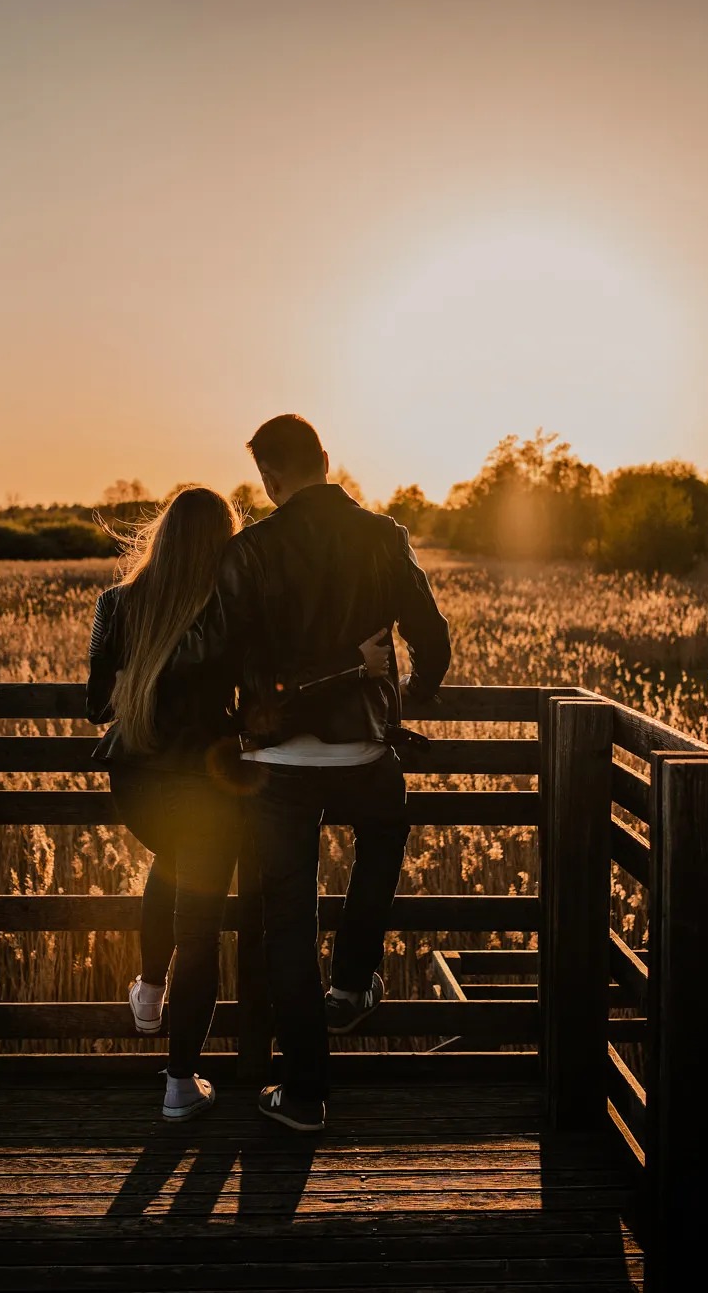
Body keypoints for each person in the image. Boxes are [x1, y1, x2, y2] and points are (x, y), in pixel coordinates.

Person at [174, 414, 451, 1132]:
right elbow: (434, 640)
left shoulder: (250, 551)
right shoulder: (383, 536)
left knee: (289, 926)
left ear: (269, 478)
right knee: (385, 833)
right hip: (366, 752)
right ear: (326, 460)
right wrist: (403, 699)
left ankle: (304, 1095)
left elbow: (205, 653)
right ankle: (356, 979)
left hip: (275, 765)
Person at [85, 485, 247, 1121]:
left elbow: (95, 705)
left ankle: (150, 989)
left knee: (173, 862)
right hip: (209, 780)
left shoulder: (116, 603)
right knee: (201, 930)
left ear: (162, 536)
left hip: (137, 780)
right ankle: (180, 1086)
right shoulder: (233, 607)